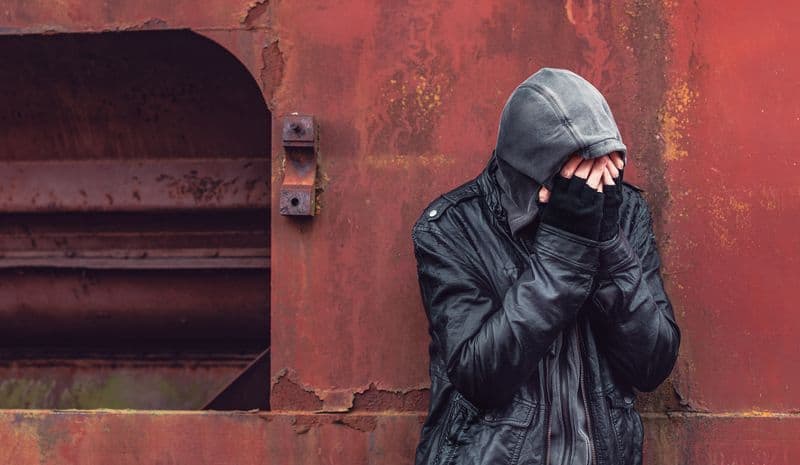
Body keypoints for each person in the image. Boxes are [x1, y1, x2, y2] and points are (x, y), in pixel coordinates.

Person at [411, 68, 681, 465]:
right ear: (529, 174)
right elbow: (480, 376)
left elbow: (652, 363)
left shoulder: (624, 212)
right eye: (575, 176)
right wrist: (565, 252)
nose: (594, 188)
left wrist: (606, 240)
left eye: (603, 174)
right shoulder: (453, 227)